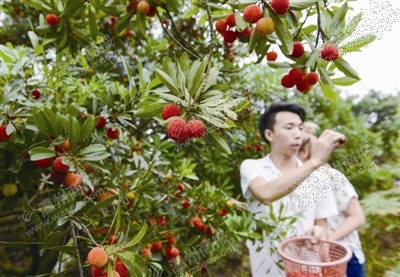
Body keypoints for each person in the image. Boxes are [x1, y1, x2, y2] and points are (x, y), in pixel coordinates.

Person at [240, 102, 346, 276]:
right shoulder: (252, 167)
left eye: (300, 127)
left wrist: (319, 232)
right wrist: (315, 161)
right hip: (267, 269)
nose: (298, 134)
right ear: (269, 134)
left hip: (308, 268)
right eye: (289, 127)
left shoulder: (319, 176)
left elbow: (322, 224)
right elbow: (265, 194)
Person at [299, 124, 366, 277]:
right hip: (313, 259)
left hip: (344, 255)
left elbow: (357, 217)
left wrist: (326, 242)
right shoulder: (292, 181)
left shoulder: (331, 176)